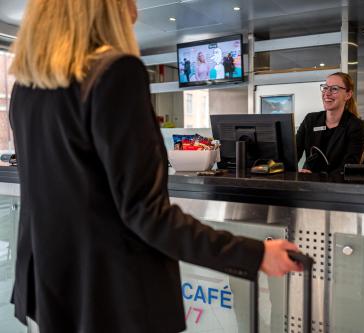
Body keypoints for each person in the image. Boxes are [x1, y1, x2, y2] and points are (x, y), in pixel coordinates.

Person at [8, 1, 301, 332]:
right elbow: (145, 214)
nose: (135, 10)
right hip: (114, 299)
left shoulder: (26, 88)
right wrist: (253, 253)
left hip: (53, 291)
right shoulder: (114, 73)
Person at [296, 72, 364, 174]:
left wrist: (318, 177)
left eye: (334, 89)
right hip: (308, 184)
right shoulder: (310, 120)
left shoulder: (355, 125)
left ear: (348, 95)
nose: (327, 93)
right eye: (325, 88)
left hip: (336, 186)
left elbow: (349, 166)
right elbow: (293, 153)